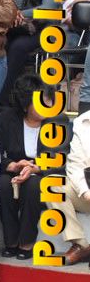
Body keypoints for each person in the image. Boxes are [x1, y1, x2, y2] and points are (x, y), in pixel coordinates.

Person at [0, 74, 71, 259]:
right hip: (15, 171)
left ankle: (26, 242)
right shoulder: (7, 118)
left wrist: (36, 168)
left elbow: (62, 159)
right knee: (2, 184)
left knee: (34, 185)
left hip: (44, 173)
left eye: (49, 101)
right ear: (25, 104)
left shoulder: (58, 120)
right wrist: (12, 165)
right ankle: (11, 241)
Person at [0, 0, 60, 107]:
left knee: (18, 47)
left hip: (42, 31)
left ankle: (3, 100)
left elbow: (47, 10)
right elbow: (4, 7)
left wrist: (19, 14)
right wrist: (13, 15)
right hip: (14, 30)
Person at [47, 108, 90, 265]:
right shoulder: (84, 122)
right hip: (88, 192)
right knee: (52, 185)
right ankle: (81, 245)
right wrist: (85, 191)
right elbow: (75, 164)